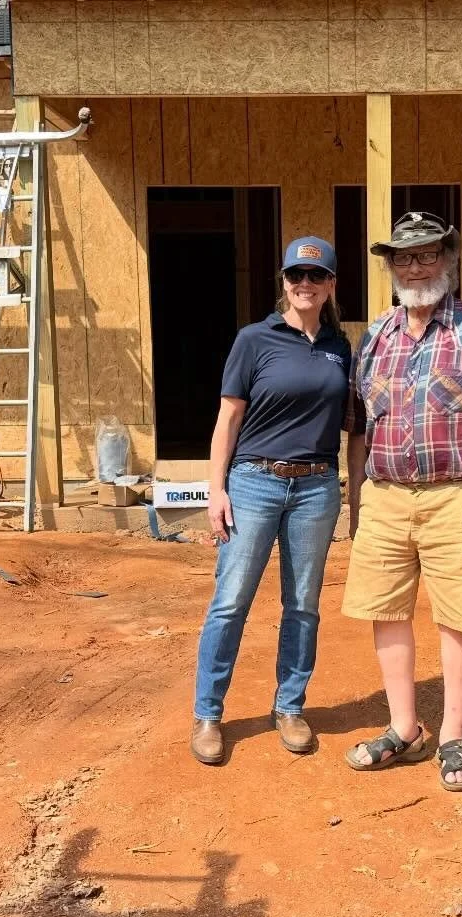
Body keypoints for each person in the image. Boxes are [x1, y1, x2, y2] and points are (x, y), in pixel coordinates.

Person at [341, 211, 462, 793]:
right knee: (386, 612)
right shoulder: (374, 337)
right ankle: (404, 728)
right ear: (391, 266)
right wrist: (358, 503)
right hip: (386, 498)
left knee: (458, 618)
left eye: (427, 254)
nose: (416, 266)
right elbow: (359, 428)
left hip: (459, 498)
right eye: (404, 256)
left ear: (449, 258)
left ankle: (453, 736)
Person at [189, 237, 353, 765]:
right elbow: (228, 419)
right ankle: (209, 714)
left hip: (316, 487)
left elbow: (353, 422)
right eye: (295, 276)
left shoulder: (340, 346)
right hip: (255, 482)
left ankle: (289, 707)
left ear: (330, 284)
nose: (304, 285)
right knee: (231, 599)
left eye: (316, 276)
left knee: (303, 604)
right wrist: (217, 490)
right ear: (284, 282)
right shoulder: (254, 340)